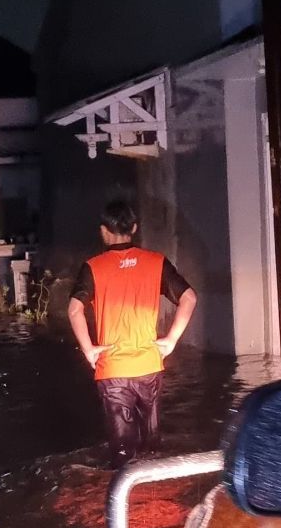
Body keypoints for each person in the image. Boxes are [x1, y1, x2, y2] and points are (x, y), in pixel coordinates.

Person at [67, 197, 196, 467]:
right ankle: (154, 499)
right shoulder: (156, 262)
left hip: (113, 371)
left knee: (123, 455)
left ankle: (125, 501)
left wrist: (89, 349)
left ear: (104, 230)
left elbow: (74, 310)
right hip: (149, 366)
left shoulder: (93, 267)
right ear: (134, 228)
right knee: (152, 449)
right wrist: (171, 340)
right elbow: (189, 298)